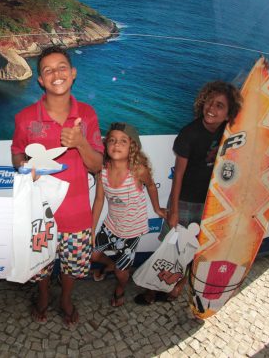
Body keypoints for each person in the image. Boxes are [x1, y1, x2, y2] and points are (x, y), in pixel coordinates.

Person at [11, 46, 103, 327]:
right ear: (40, 80)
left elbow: (97, 165)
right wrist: (27, 166)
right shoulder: (25, 117)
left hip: (76, 214)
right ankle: (42, 295)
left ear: (73, 74)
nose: (56, 74)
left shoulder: (86, 115)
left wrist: (80, 143)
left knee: (73, 266)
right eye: (48, 70)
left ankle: (65, 298)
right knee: (40, 265)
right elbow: (16, 154)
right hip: (41, 213)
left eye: (62, 67)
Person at [135, 80, 242, 305]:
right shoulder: (189, 134)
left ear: (229, 113)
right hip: (184, 201)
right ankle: (152, 290)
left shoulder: (229, 133)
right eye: (208, 102)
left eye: (219, 105)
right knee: (169, 246)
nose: (211, 108)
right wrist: (174, 209)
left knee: (190, 250)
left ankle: (178, 285)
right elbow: (179, 176)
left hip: (211, 203)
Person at [90, 122, 166, 307]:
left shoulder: (138, 171)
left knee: (121, 271)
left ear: (132, 147)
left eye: (123, 141)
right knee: (93, 255)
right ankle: (109, 264)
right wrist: (92, 230)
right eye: (112, 140)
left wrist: (156, 208)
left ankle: (120, 290)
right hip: (110, 225)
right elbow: (99, 200)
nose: (117, 144)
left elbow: (150, 186)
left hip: (132, 231)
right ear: (106, 145)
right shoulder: (103, 171)